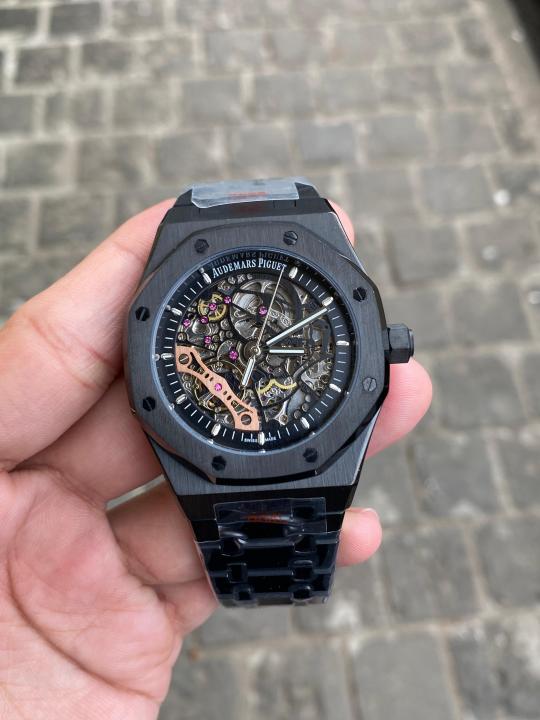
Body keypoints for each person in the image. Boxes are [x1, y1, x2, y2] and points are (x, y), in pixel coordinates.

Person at [0, 200, 432, 718]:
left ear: (387, 347)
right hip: (225, 444)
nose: (252, 355)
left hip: (258, 443)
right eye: (251, 345)